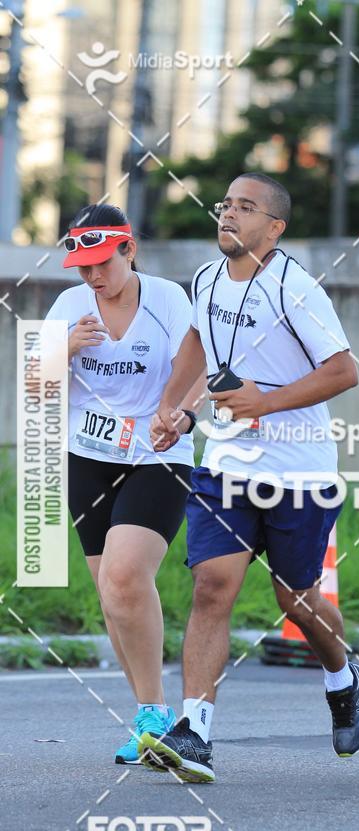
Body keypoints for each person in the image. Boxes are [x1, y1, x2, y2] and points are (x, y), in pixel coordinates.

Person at [139, 173, 359, 783]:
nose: (230, 216)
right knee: (213, 586)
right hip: (226, 467)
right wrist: (176, 409)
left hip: (299, 469)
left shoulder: (296, 290)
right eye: (226, 205)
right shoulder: (208, 279)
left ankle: (343, 679)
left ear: (275, 228)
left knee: (296, 599)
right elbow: (195, 339)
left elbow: (344, 371)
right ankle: (195, 732)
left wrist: (263, 403)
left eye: (247, 208)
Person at [44, 203, 202, 765]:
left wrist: (179, 415)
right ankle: (149, 716)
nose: (93, 277)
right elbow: (32, 387)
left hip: (159, 455)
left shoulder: (168, 301)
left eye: (102, 264)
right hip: (87, 458)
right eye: (83, 267)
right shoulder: (67, 307)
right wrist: (64, 349)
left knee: (126, 576)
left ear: (129, 250)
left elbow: (198, 369)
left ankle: (160, 715)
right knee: (113, 596)